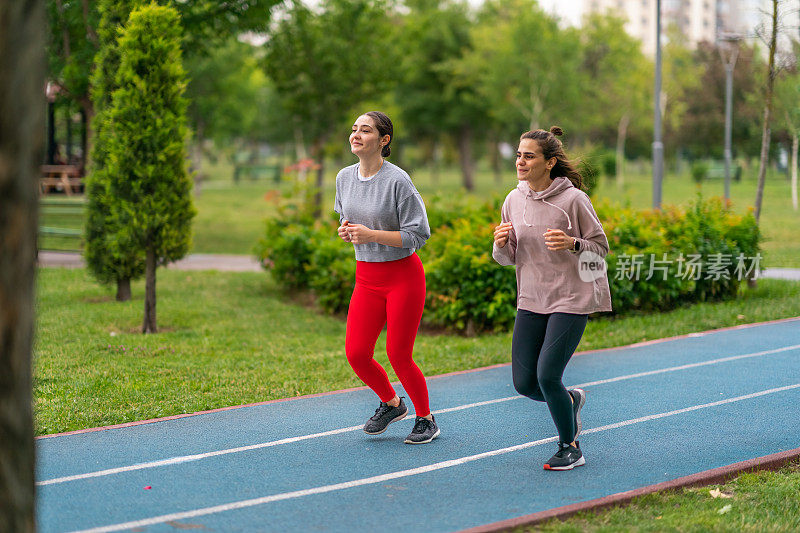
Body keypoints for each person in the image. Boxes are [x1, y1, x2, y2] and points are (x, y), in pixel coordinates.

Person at [492, 127, 612, 470]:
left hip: (571, 298)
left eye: (529, 156)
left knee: (547, 376)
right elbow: (509, 257)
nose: (520, 161)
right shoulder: (513, 200)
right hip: (531, 298)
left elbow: (600, 248)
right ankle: (570, 400)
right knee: (524, 383)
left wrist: (573, 244)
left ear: (550, 163)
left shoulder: (574, 200)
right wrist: (501, 244)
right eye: (518, 154)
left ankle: (570, 446)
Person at [334, 111, 439, 444]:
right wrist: (348, 232)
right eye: (354, 129)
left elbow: (418, 235)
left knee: (398, 354)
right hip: (366, 277)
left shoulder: (398, 181)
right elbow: (350, 221)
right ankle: (392, 404)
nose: (356, 135)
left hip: (402, 277)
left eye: (365, 130)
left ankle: (426, 419)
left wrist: (372, 235)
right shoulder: (343, 178)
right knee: (356, 353)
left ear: (384, 140)